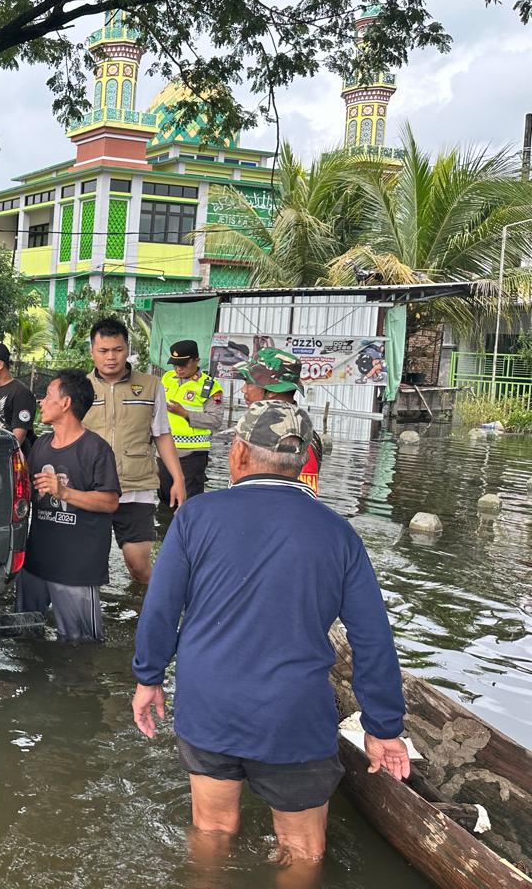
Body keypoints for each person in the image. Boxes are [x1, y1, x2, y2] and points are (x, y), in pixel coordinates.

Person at [131, 400, 409, 879]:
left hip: (209, 702)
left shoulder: (196, 517)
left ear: (238, 453)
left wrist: (148, 678)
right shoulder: (338, 533)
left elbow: (161, 607)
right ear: (303, 462)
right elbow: (372, 638)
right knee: (302, 849)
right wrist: (383, 727)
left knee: (212, 829)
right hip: (294, 714)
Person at [81, 317, 186, 585]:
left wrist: (178, 479)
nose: (111, 357)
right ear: (92, 351)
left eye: (117, 349)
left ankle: (153, 614)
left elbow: (162, 434)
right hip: (91, 488)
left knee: (139, 566)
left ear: (128, 349)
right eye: (103, 351)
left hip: (136, 488)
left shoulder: (151, 385)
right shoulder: (80, 388)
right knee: (86, 563)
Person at [18, 369, 121, 642]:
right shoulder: (40, 444)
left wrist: (64, 492)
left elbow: (110, 502)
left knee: (80, 647)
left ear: (65, 404)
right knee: (24, 638)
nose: (41, 401)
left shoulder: (95, 449)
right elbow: (25, 494)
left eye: (48, 395)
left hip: (76, 568)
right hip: (34, 562)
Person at [234, 347, 323, 494]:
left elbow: (303, 499)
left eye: (248, 383)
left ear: (273, 389)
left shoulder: (298, 438)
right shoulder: (256, 424)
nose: (243, 390)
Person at [160, 340, 224, 504]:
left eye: (183, 364)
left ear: (196, 360)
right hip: (164, 452)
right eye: (175, 364)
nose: (178, 369)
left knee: (188, 502)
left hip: (191, 455)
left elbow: (215, 420)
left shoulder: (210, 387)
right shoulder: (167, 378)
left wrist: (185, 413)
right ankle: (165, 529)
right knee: (165, 498)